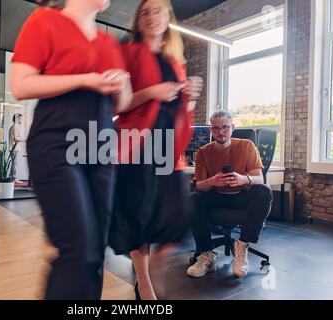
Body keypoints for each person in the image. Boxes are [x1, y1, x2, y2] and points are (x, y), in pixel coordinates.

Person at [10, 0, 132, 299]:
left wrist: (121, 83)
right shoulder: (44, 21)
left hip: (100, 148)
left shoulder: (108, 42)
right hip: (56, 143)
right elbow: (21, 85)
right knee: (77, 248)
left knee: (94, 252)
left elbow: (123, 104)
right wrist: (86, 80)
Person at [109, 0, 203, 300]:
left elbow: (181, 112)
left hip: (168, 148)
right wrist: (152, 92)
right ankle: (146, 286)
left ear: (168, 17)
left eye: (158, 11)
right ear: (138, 20)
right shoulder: (127, 52)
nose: (151, 17)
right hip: (136, 145)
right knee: (139, 216)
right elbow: (117, 104)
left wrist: (190, 97)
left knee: (177, 215)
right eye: (145, 12)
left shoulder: (176, 62)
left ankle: (154, 268)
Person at [187, 110, 273, 278]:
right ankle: (207, 254)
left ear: (232, 127)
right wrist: (212, 181)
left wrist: (243, 179)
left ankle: (242, 245)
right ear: (211, 130)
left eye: (225, 127)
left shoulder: (247, 145)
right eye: (216, 128)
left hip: (241, 196)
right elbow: (199, 186)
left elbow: (259, 178)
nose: (221, 132)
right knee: (193, 198)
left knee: (264, 191)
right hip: (216, 197)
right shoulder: (203, 152)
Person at [8, 113, 26, 186]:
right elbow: (16, 138)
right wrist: (24, 139)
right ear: (17, 119)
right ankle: (14, 178)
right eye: (21, 118)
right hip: (14, 148)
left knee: (14, 163)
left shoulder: (13, 126)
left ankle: (11, 177)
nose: (22, 120)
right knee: (14, 164)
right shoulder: (15, 126)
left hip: (13, 148)